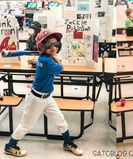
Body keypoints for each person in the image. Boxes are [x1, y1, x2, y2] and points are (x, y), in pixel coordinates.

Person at [4, 29, 83, 157]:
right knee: (26, 126)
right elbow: (61, 68)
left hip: (47, 97)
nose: (53, 48)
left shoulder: (44, 58)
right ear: (42, 46)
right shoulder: (46, 61)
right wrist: (55, 56)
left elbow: (50, 59)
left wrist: (51, 54)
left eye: (55, 45)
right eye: (49, 45)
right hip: (36, 99)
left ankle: (67, 143)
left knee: (60, 121)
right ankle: (10, 146)